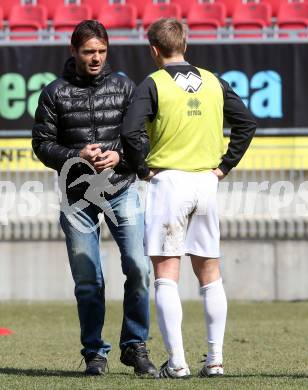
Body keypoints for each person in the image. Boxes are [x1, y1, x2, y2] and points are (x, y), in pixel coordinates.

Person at [121, 18, 257, 379]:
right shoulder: (213, 81)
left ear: (154, 49)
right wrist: (224, 167)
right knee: (210, 275)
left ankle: (177, 362)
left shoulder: (154, 83)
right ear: (185, 45)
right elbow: (247, 123)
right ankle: (215, 360)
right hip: (206, 184)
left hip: (169, 182)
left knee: (166, 274)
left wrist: (142, 168)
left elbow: (130, 130)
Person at [32, 20, 157, 377]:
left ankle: (134, 347)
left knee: (138, 267)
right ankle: (94, 354)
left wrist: (119, 156)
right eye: (89, 52)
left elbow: (141, 137)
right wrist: (76, 157)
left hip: (121, 189)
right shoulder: (54, 93)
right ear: (74, 51)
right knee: (88, 280)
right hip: (76, 198)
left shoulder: (124, 87)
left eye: (101, 51)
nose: (96, 58)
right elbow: (41, 145)